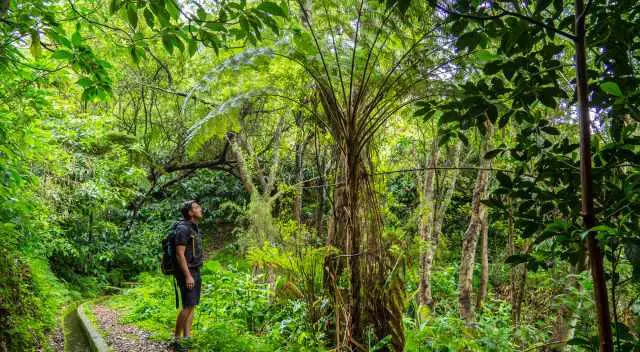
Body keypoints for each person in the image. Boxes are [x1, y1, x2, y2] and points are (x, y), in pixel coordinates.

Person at [172, 200, 204, 351]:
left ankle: (187, 337)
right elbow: (179, 254)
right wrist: (187, 276)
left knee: (192, 305)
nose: (200, 209)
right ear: (190, 212)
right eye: (196, 207)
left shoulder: (194, 227)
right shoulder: (183, 229)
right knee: (187, 306)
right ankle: (177, 340)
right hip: (188, 272)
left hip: (195, 270)